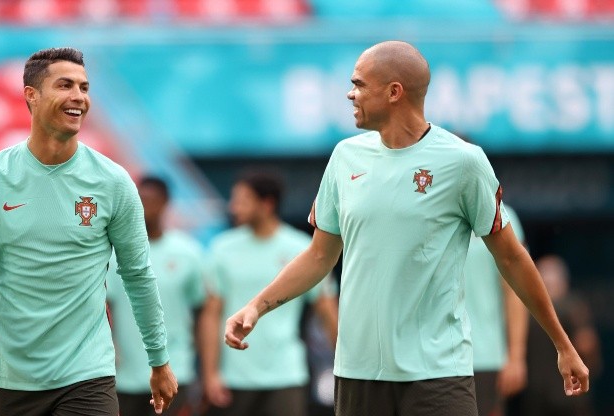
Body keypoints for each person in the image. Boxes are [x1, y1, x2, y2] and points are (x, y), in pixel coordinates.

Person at [223, 41, 590, 416]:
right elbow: (319, 256)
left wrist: (563, 344)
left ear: (394, 92)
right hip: (357, 373)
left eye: (359, 84)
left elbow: (512, 257)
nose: (351, 94)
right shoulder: (344, 157)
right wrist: (256, 307)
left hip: (439, 374)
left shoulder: (463, 162)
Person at [0, 47, 177, 416]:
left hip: (88, 376)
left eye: (84, 87)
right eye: (65, 85)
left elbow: (138, 276)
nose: (79, 97)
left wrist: (158, 359)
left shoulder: (112, 182)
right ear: (31, 95)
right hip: (11, 379)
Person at [199, 172, 338, 416]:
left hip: (286, 375)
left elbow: (327, 311)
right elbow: (211, 315)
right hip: (234, 378)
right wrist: (211, 374)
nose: (233, 207)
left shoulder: (304, 251)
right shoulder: (222, 249)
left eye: (242, 200)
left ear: (267, 204)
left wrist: (343, 368)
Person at [106, 176, 206, 416]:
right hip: (124, 377)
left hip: (175, 372)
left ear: (166, 203)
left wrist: (204, 370)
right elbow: (103, 307)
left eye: (151, 200)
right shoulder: (113, 254)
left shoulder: (188, 253)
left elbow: (202, 311)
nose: (145, 206)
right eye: (140, 200)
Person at [511, 254, 602, 416]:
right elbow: (587, 344)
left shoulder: (526, 313)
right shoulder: (573, 305)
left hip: (535, 395)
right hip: (571, 394)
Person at [464, 205, 528, 416]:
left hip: (486, 355)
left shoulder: (500, 214)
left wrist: (516, 357)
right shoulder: (428, 208)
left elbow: (515, 290)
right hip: (433, 357)